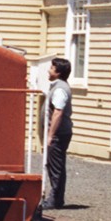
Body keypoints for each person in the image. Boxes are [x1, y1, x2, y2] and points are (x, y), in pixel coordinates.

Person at [41, 57, 73, 209]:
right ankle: (56, 198)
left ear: (58, 72)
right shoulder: (57, 86)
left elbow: (58, 113)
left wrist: (50, 135)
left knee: (56, 167)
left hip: (58, 134)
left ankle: (55, 200)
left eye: (52, 68)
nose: (49, 70)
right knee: (54, 165)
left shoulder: (60, 89)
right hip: (58, 134)